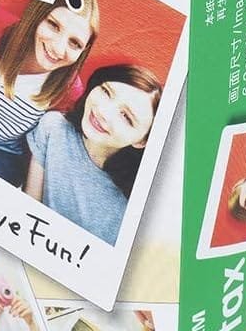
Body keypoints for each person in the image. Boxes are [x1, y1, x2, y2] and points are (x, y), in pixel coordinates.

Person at [0, 0, 99, 187]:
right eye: (54, 25)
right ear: (37, 14)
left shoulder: (69, 91)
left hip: (5, 156)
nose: (58, 49)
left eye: (74, 43)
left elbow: (50, 150)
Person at [24, 64, 162, 246]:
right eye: (106, 91)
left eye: (126, 117)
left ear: (142, 141)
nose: (103, 112)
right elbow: (29, 208)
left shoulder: (137, 205)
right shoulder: (53, 128)